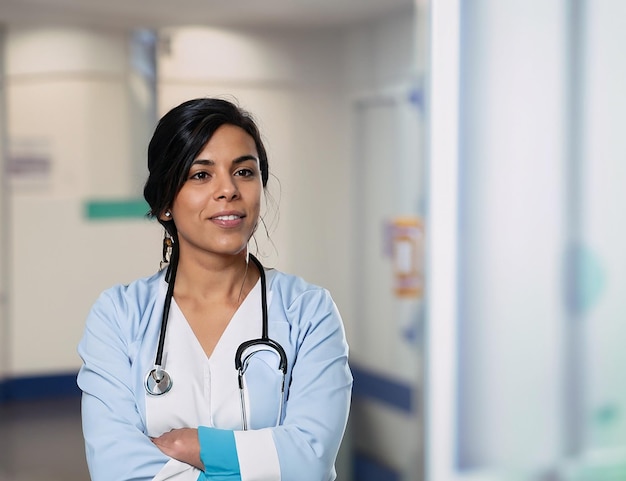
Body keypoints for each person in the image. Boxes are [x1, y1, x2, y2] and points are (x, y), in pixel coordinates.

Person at [77, 97, 352, 481]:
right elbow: (116, 469)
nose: (228, 190)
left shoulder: (308, 311)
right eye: (201, 175)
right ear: (164, 203)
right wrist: (263, 461)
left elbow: (310, 459)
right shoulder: (119, 316)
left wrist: (196, 446)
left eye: (244, 171)